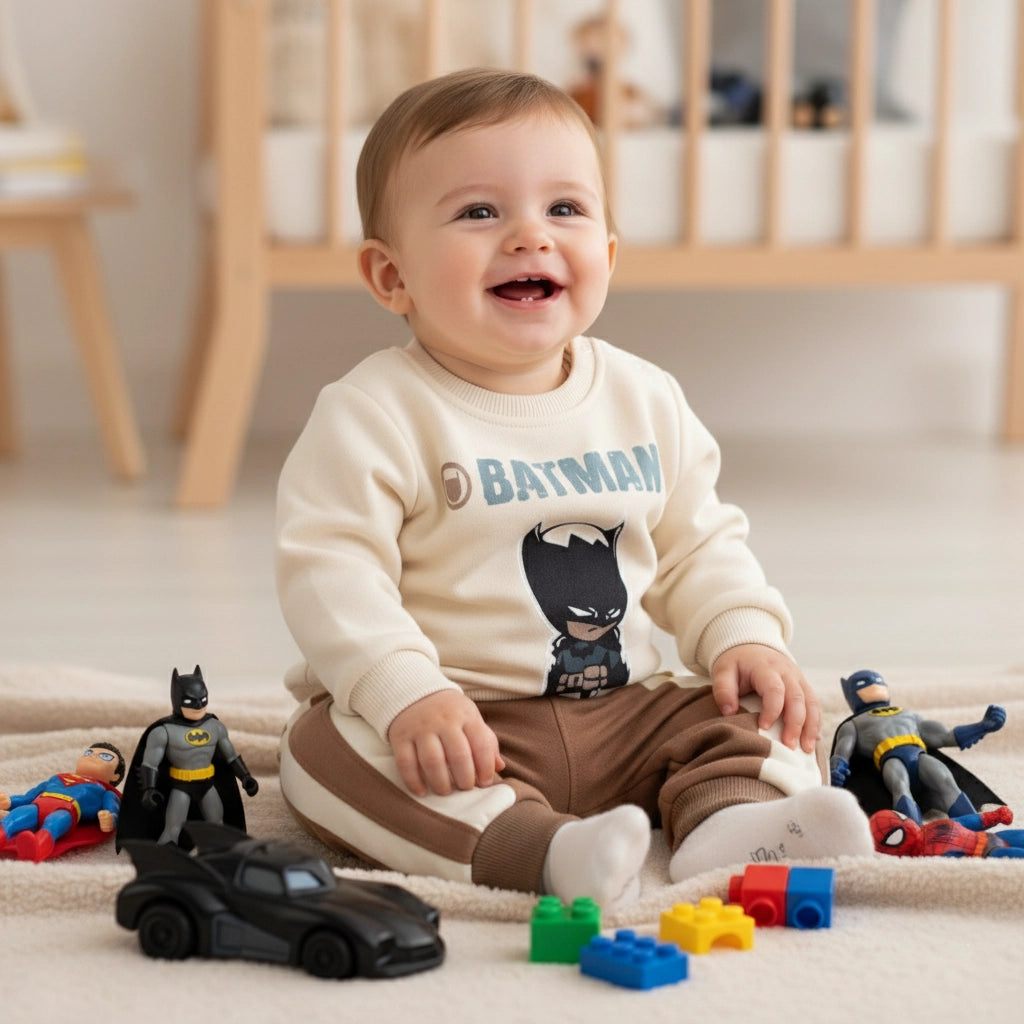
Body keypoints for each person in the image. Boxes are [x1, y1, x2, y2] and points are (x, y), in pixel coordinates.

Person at [276, 67, 873, 910]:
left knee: (767, 709)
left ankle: (733, 818)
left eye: (564, 208)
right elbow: (331, 576)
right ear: (390, 275)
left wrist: (744, 637)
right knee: (321, 757)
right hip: (460, 722)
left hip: (626, 711)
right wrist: (407, 695)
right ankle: (542, 850)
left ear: (609, 255)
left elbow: (699, 546)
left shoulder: (644, 397)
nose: (531, 236)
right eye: (479, 213)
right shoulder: (373, 413)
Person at [0, 742, 124, 861]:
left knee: (53, 824)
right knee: (15, 817)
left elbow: (113, 810)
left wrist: (110, 819)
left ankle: (39, 845)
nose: (93, 756)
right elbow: (28, 797)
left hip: (66, 809)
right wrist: (10, 801)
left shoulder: (103, 790)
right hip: (38, 804)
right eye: (88, 752)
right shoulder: (57, 778)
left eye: (105, 757)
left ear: (115, 776)